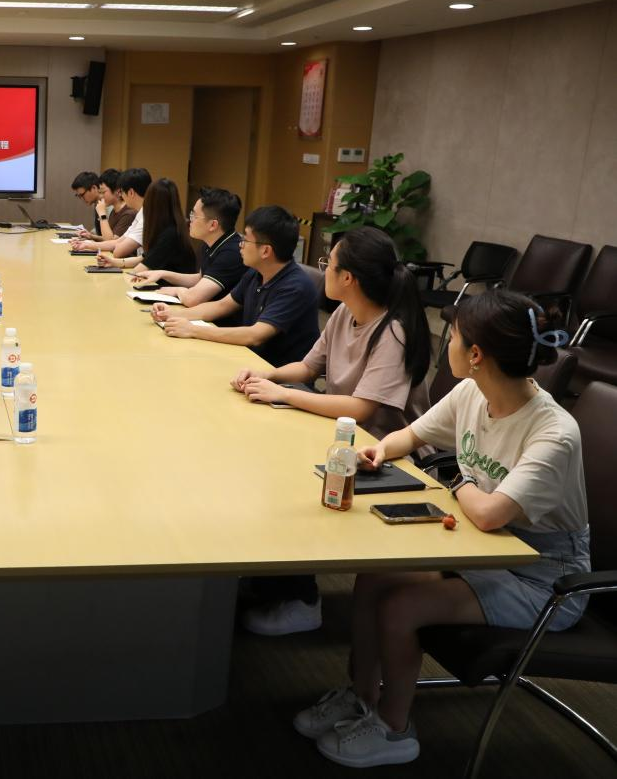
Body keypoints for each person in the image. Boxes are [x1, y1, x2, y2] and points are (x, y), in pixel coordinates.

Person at [295, 289, 588, 768]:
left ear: (476, 355)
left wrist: (458, 480)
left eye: (451, 336)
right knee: (373, 578)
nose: (444, 343)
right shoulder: (475, 392)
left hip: (544, 579)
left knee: (402, 606)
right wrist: (381, 451)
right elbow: (413, 435)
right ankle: (362, 696)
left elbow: (490, 513)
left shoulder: (553, 433)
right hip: (486, 549)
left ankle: (394, 728)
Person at [231, 226, 433, 636]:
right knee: (259, 454)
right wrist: (267, 375)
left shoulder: (392, 332)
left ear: (348, 278)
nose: (322, 270)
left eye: (328, 264)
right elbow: (308, 368)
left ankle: (303, 599)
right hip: (339, 435)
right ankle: (269, 577)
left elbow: (361, 409)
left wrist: (283, 395)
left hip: (384, 455)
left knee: (284, 481)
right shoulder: (345, 313)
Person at [154, 206, 319, 367]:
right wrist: (174, 315)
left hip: (275, 373)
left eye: (245, 239)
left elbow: (255, 335)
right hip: (248, 360)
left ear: (265, 251)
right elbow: (222, 305)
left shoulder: (295, 287)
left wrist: (192, 330)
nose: (240, 244)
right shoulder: (256, 273)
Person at [131, 187, 245, 311]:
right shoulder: (212, 242)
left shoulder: (231, 253)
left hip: (218, 321)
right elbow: (201, 278)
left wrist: (177, 290)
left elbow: (193, 299)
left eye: (194, 215)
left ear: (213, 225)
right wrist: (162, 274)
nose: (190, 220)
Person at [96, 178, 196, 274]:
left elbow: (140, 269)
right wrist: (113, 262)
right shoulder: (167, 226)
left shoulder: (170, 233)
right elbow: (143, 258)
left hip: (164, 285)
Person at [70, 168, 151, 256]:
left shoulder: (133, 214)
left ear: (130, 192)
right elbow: (116, 242)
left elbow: (115, 248)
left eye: (123, 191)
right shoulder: (139, 214)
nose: (101, 196)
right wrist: (87, 244)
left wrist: (102, 215)